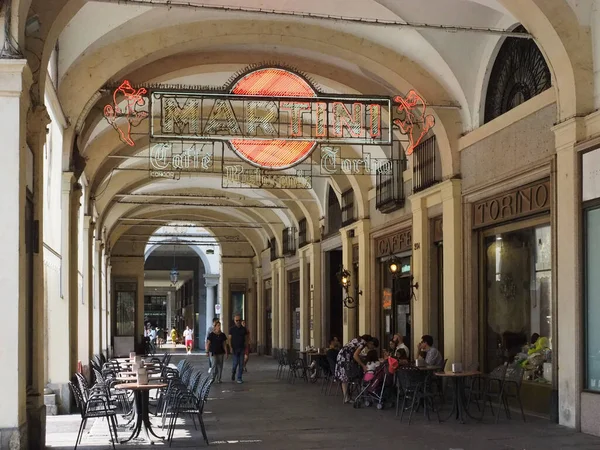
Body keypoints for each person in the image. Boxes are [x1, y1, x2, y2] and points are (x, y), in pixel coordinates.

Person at [334, 334, 379, 403]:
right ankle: (349, 397)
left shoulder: (359, 340)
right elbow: (355, 355)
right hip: (346, 357)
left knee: (344, 377)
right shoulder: (363, 343)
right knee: (347, 375)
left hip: (342, 355)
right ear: (371, 343)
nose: (370, 349)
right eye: (372, 347)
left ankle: (346, 398)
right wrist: (363, 365)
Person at [228, 315, 247, 383]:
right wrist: (230, 347)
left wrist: (246, 347)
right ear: (234, 321)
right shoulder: (232, 329)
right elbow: (229, 339)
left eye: (239, 320)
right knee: (235, 363)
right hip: (235, 349)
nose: (238, 322)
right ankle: (233, 372)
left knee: (241, 364)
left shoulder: (244, 329)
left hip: (242, 348)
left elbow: (246, 338)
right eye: (237, 320)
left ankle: (239, 378)